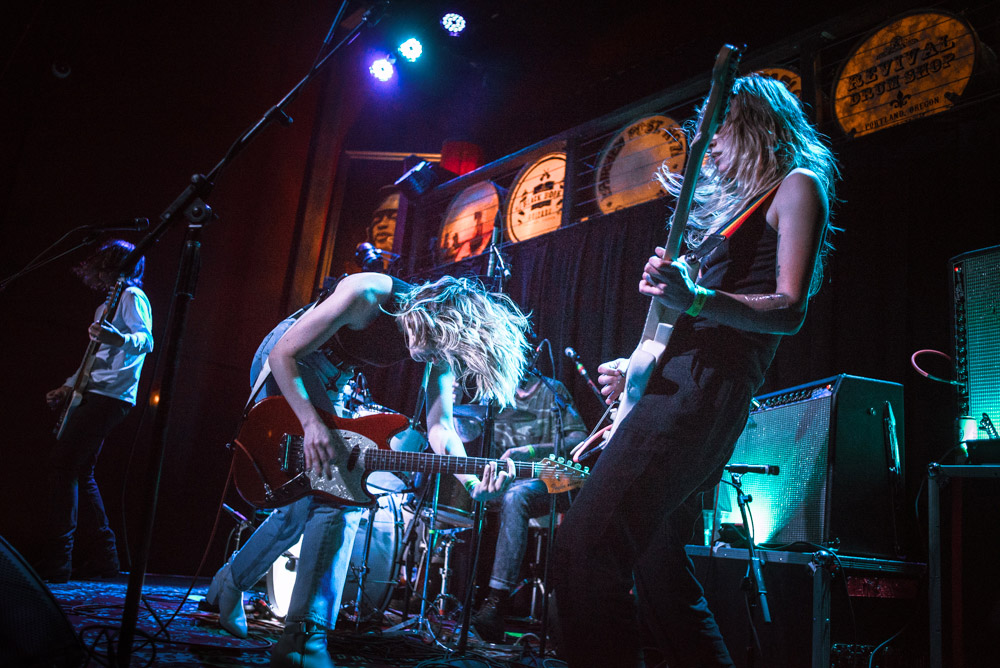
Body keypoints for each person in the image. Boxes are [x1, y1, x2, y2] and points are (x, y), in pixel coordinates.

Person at [552, 74, 840, 667]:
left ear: (756, 125)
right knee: (660, 572)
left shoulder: (796, 186)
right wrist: (631, 381)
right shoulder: (721, 220)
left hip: (703, 395)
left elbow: (790, 308)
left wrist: (696, 300)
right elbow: (670, 327)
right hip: (671, 389)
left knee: (583, 546)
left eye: (717, 129)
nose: (704, 144)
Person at [205, 273, 531, 668]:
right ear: (430, 313)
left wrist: (473, 483)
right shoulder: (369, 293)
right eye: (432, 345)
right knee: (340, 495)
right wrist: (312, 424)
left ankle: (231, 583)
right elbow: (283, 356)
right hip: (290, 358)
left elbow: (441, 426)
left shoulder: (438, 344)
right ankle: (302, 642)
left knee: (299, 505)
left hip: (334, 377)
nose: (431, 358)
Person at [37, 239, 154, 583]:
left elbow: (146, 340)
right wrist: (69, 385)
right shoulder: (105, 305)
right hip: (94, 392)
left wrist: (119, 339)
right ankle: (105, 558)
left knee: (62, 466)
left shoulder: (133, 297)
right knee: (80, 472)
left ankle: (59, 562)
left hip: (111, 396)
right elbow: (95, 359)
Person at [470, 373, 586, 643]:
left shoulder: (552, 389)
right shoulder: (495, 392)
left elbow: (577, 440)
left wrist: (531, 451)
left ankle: (496, 602)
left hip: (555, 479)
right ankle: (470, 598)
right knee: (484, 497)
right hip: (507, 481)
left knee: (517, 495)